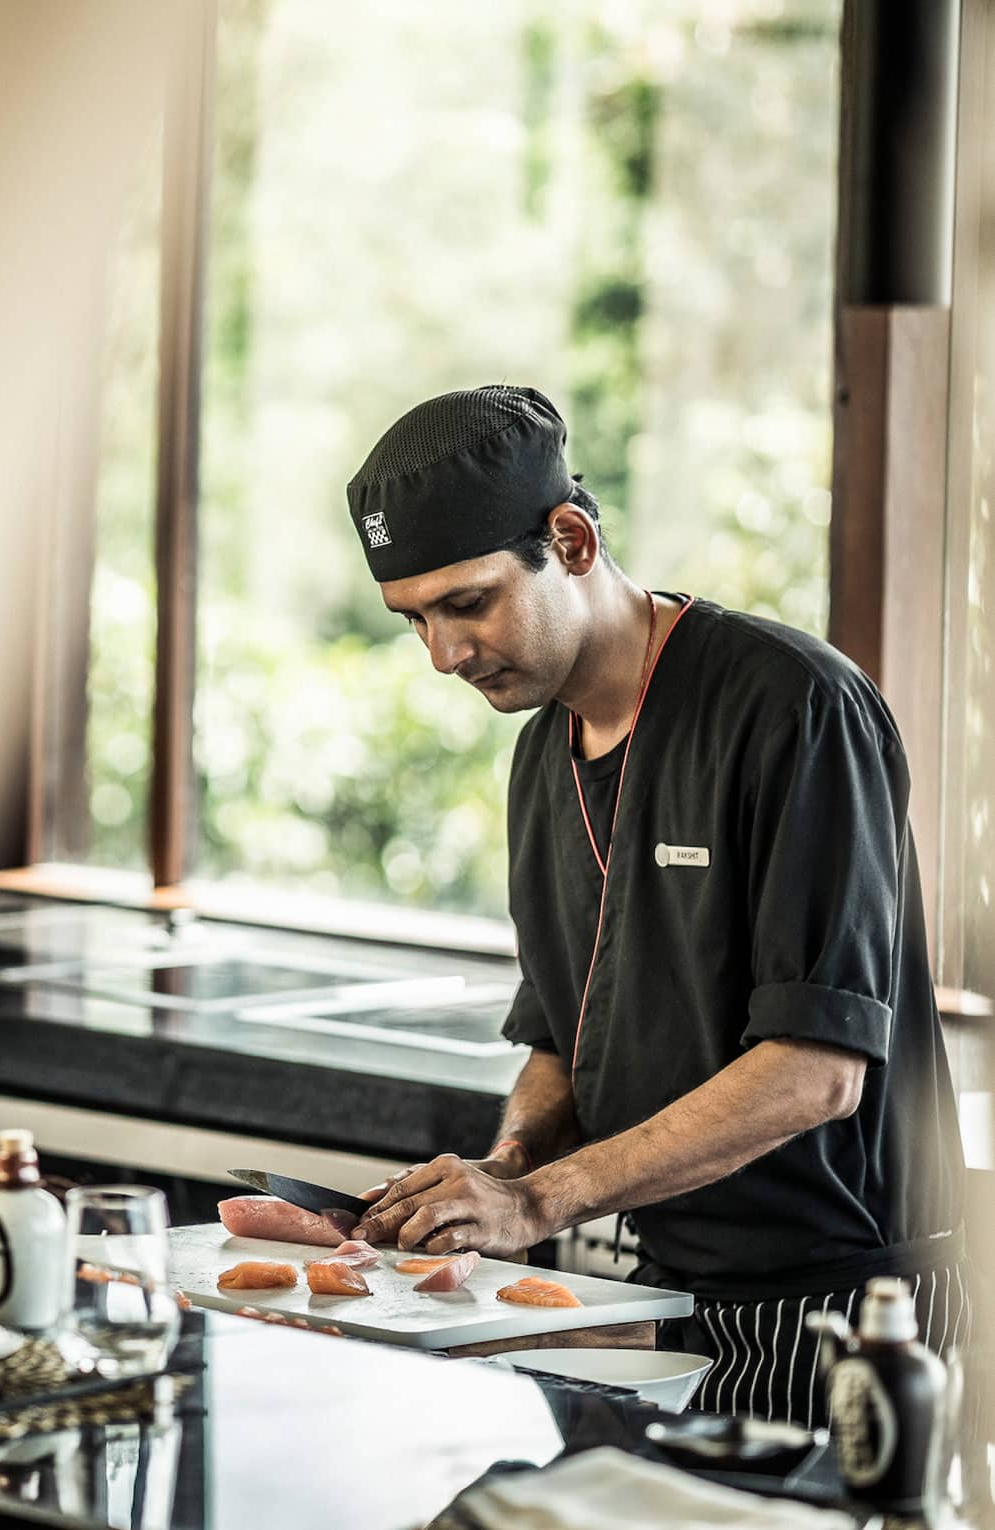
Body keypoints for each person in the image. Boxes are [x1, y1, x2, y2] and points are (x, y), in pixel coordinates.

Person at [345, 384, 969, 1426]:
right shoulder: (542, 755)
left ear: (574, 541)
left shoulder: (794, 706)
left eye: (468, 603)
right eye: (415, 619)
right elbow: (562, 1036)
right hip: (669, 1295)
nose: (444, 656)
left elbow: (816, 1074)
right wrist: (502, 1171)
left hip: (852, 1308)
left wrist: (541, 1201)